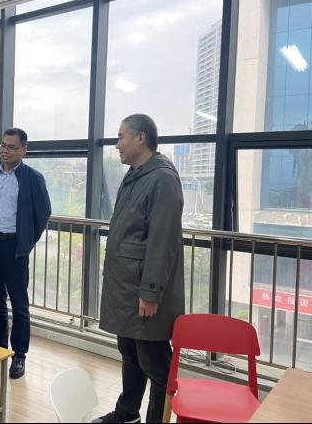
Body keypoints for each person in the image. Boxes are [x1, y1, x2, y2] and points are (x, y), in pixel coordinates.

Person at [94, 114, 185, 423]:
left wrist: (150, 292)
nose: (117, 144)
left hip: (143, 291)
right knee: (130, 353)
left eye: (121, 137)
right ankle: (127, 412)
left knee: (155, 363)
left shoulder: (162, 179)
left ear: (140, 138)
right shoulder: (136, 175)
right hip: (126, 288)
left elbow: (163, 241)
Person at [0, 127, 51, 379]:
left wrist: (27, 242)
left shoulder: (32, 178)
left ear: (24, 150)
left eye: (11, 147)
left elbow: (43, 213)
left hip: (14, 248)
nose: (5, 151)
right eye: (3, 145)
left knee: (19, 303)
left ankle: (19, 354)